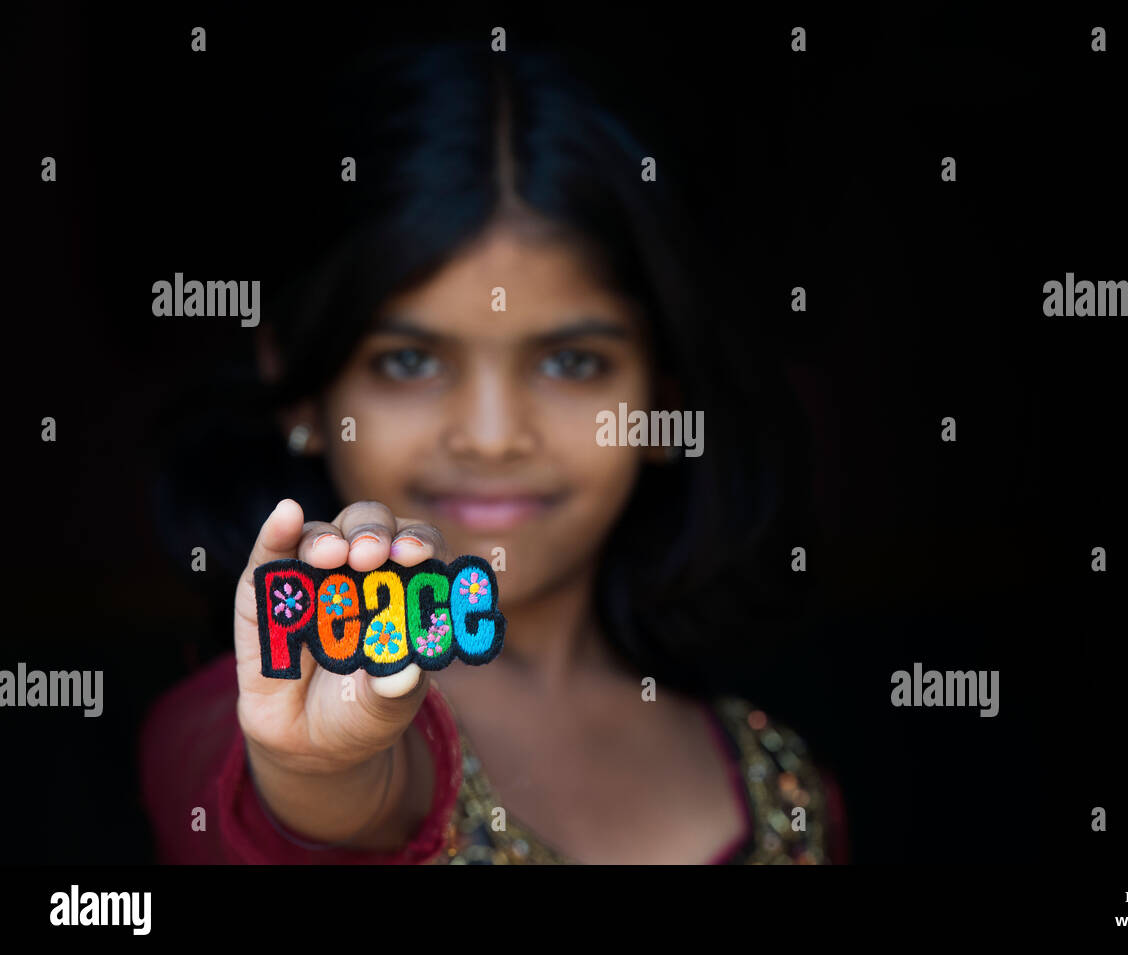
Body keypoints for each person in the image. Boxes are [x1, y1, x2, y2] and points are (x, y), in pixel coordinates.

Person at [138, 40, 848, 864]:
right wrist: (317, 773)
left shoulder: (784, 782)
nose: (491, 434)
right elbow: (293, 798)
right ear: (301, 391)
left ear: (663, 397)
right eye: (409, 361)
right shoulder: (249, 717)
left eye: (570, 362)